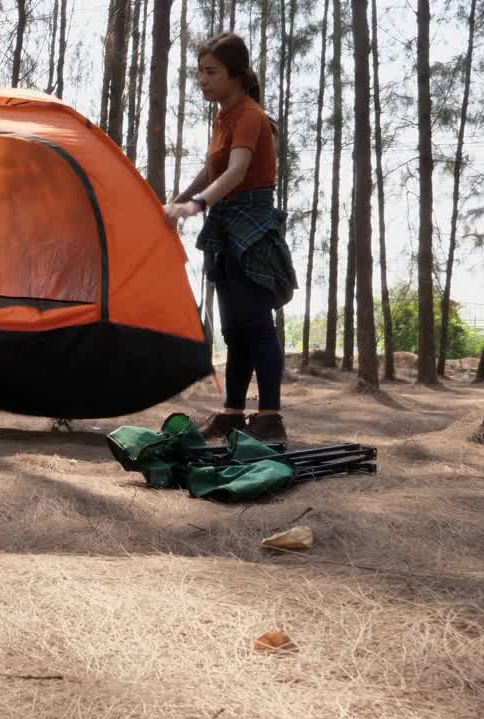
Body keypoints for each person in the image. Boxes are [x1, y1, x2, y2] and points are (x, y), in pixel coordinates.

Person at [163, 33, 297, 443]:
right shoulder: (224, 117)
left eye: (210, 72)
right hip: (224, 225)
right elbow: (213, 171)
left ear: (235, 75)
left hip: (251, 226)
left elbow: (237, 171)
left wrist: (196, 206)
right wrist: (175, 203)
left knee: (257, 325)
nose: (201, 80)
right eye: (199, 72)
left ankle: (270, 417)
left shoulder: (251, 115)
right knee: (233, 329)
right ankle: (232, 413)